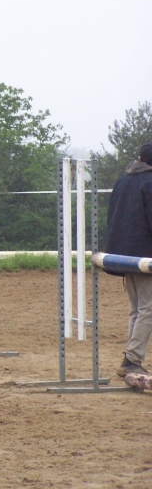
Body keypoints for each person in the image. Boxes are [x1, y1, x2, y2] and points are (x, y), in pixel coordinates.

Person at [105, 142, 152, 378]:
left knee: (136, 309)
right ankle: (132, 359)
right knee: (148, 309)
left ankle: (131, 357)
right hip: (145, 255)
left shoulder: (123, 180)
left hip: (123, 255)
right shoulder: (150, 182)